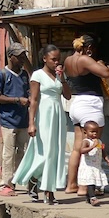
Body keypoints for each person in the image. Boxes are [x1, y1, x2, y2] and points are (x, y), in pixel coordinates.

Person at [12, 44, 69, 204]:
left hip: (58, 116)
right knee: (45, 153)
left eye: (59, 59)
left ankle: (49, 191)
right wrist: (31, 123)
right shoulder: (37, 75)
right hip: (44, 116)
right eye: (53, 59)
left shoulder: (58, 76)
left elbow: (68, 96)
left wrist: (62, 78)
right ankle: (35, 181)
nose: (56, 62)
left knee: (55, 153)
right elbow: (34, 100)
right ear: (44, 59)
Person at [64, 34, 109, 193]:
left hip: (77, 104)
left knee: (78, 147)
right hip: (90, 105)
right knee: (92, 147)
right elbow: (105, 73)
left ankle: (71, 184)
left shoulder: (68, 60)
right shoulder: (84, 59)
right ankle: (84, 186)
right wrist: (100, 63)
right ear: (89, 48)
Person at [0, 45, 31, 197]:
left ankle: (16, 179)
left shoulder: (24, 75)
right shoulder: (1, 75)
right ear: (10, 56)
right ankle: (5, 184)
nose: (22, 60)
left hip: (23, 120)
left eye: (23, 57)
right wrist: (16, 100)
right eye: (19, 57)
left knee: (22, 152)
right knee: (8, 153)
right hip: (8, 120)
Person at [75, 120, 109, 206]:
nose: (94, 134)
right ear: (85, 132)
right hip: (88, 166)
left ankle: (88, 197)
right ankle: (92, 198)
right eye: (92, 132)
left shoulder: (99, 141)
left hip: (96, 166)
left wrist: (107, 159)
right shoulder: (86, 141)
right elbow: (82, 150)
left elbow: (103, 151)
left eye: (96, 132)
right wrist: (92, 146)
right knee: (91, 183)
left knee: (93, 182)